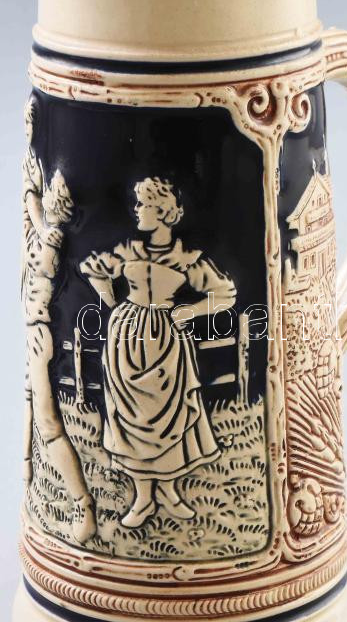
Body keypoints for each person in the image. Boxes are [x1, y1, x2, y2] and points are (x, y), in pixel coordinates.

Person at [80, 176, 236, 528]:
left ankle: (168, 492)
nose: (136, 210)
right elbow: (92, 268)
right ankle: (143, 498)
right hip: (127, 340)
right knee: (131, 416)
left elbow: (226, 294)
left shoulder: (186, 258)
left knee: (169, 416)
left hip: (167, 341)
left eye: (144, 204)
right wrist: (113, 305)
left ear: (164, 211)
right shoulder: (128, 251)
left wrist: (191, 311)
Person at [22, 97, 96, 543]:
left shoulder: (51, 239)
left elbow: (34, 208)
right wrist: (35, 139)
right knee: (43, 422)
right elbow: (32, 199)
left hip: (39, 339)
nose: (46, 193)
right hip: (37, 335)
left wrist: (35, 154)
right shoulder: (46, 230)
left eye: (53, 192)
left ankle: (83, 507)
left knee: (49, 426)